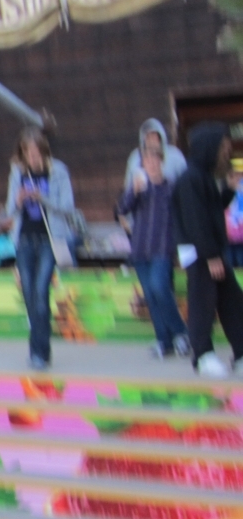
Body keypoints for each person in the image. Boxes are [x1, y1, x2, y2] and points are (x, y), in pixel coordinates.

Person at [171, 122, 243, 379]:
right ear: (209, 148)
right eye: (223, 147)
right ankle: (202, 355)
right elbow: (195, 221)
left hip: (210, 251)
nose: (227, 152)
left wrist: (229, 190)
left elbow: (211, 210)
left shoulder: (203, 177)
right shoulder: (190, 179)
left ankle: (241, 352)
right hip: (201, 254)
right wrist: (211, 255)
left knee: (232, 301)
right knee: (202, 302)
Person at [5, 127, 75, 371]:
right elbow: (8, 211)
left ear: (44, 152)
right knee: (28, 295)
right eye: (27, 154)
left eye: (36, 153)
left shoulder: (58, 171)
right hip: (24, 239)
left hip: (49, 239)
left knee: (40, 293)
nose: (32, 158)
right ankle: (37, 349)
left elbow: (68, 206)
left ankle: (40, 353)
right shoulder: (17, 172)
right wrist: (18, 200)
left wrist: (41, 197)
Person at [117, 146, 190, 359]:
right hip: (140, 249)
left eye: (154, 159)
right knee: (150, 295)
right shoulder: (138, 187)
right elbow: (121, 210)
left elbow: (181, 216)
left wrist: (181, 245)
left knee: (160, 288)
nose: (150, 164)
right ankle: (164, 341)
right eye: (146, 161)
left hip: (162, 248)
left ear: (161, 161)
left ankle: (180, 332)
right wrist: (133, 191)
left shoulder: (171, 187)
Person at [124, 118, 188, 191]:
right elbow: (128, 187)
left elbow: (185, 182)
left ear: (161, 136)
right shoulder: (135, 157)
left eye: (155, 136)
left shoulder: (175, 155)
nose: (152, 140)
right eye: (148, 137)